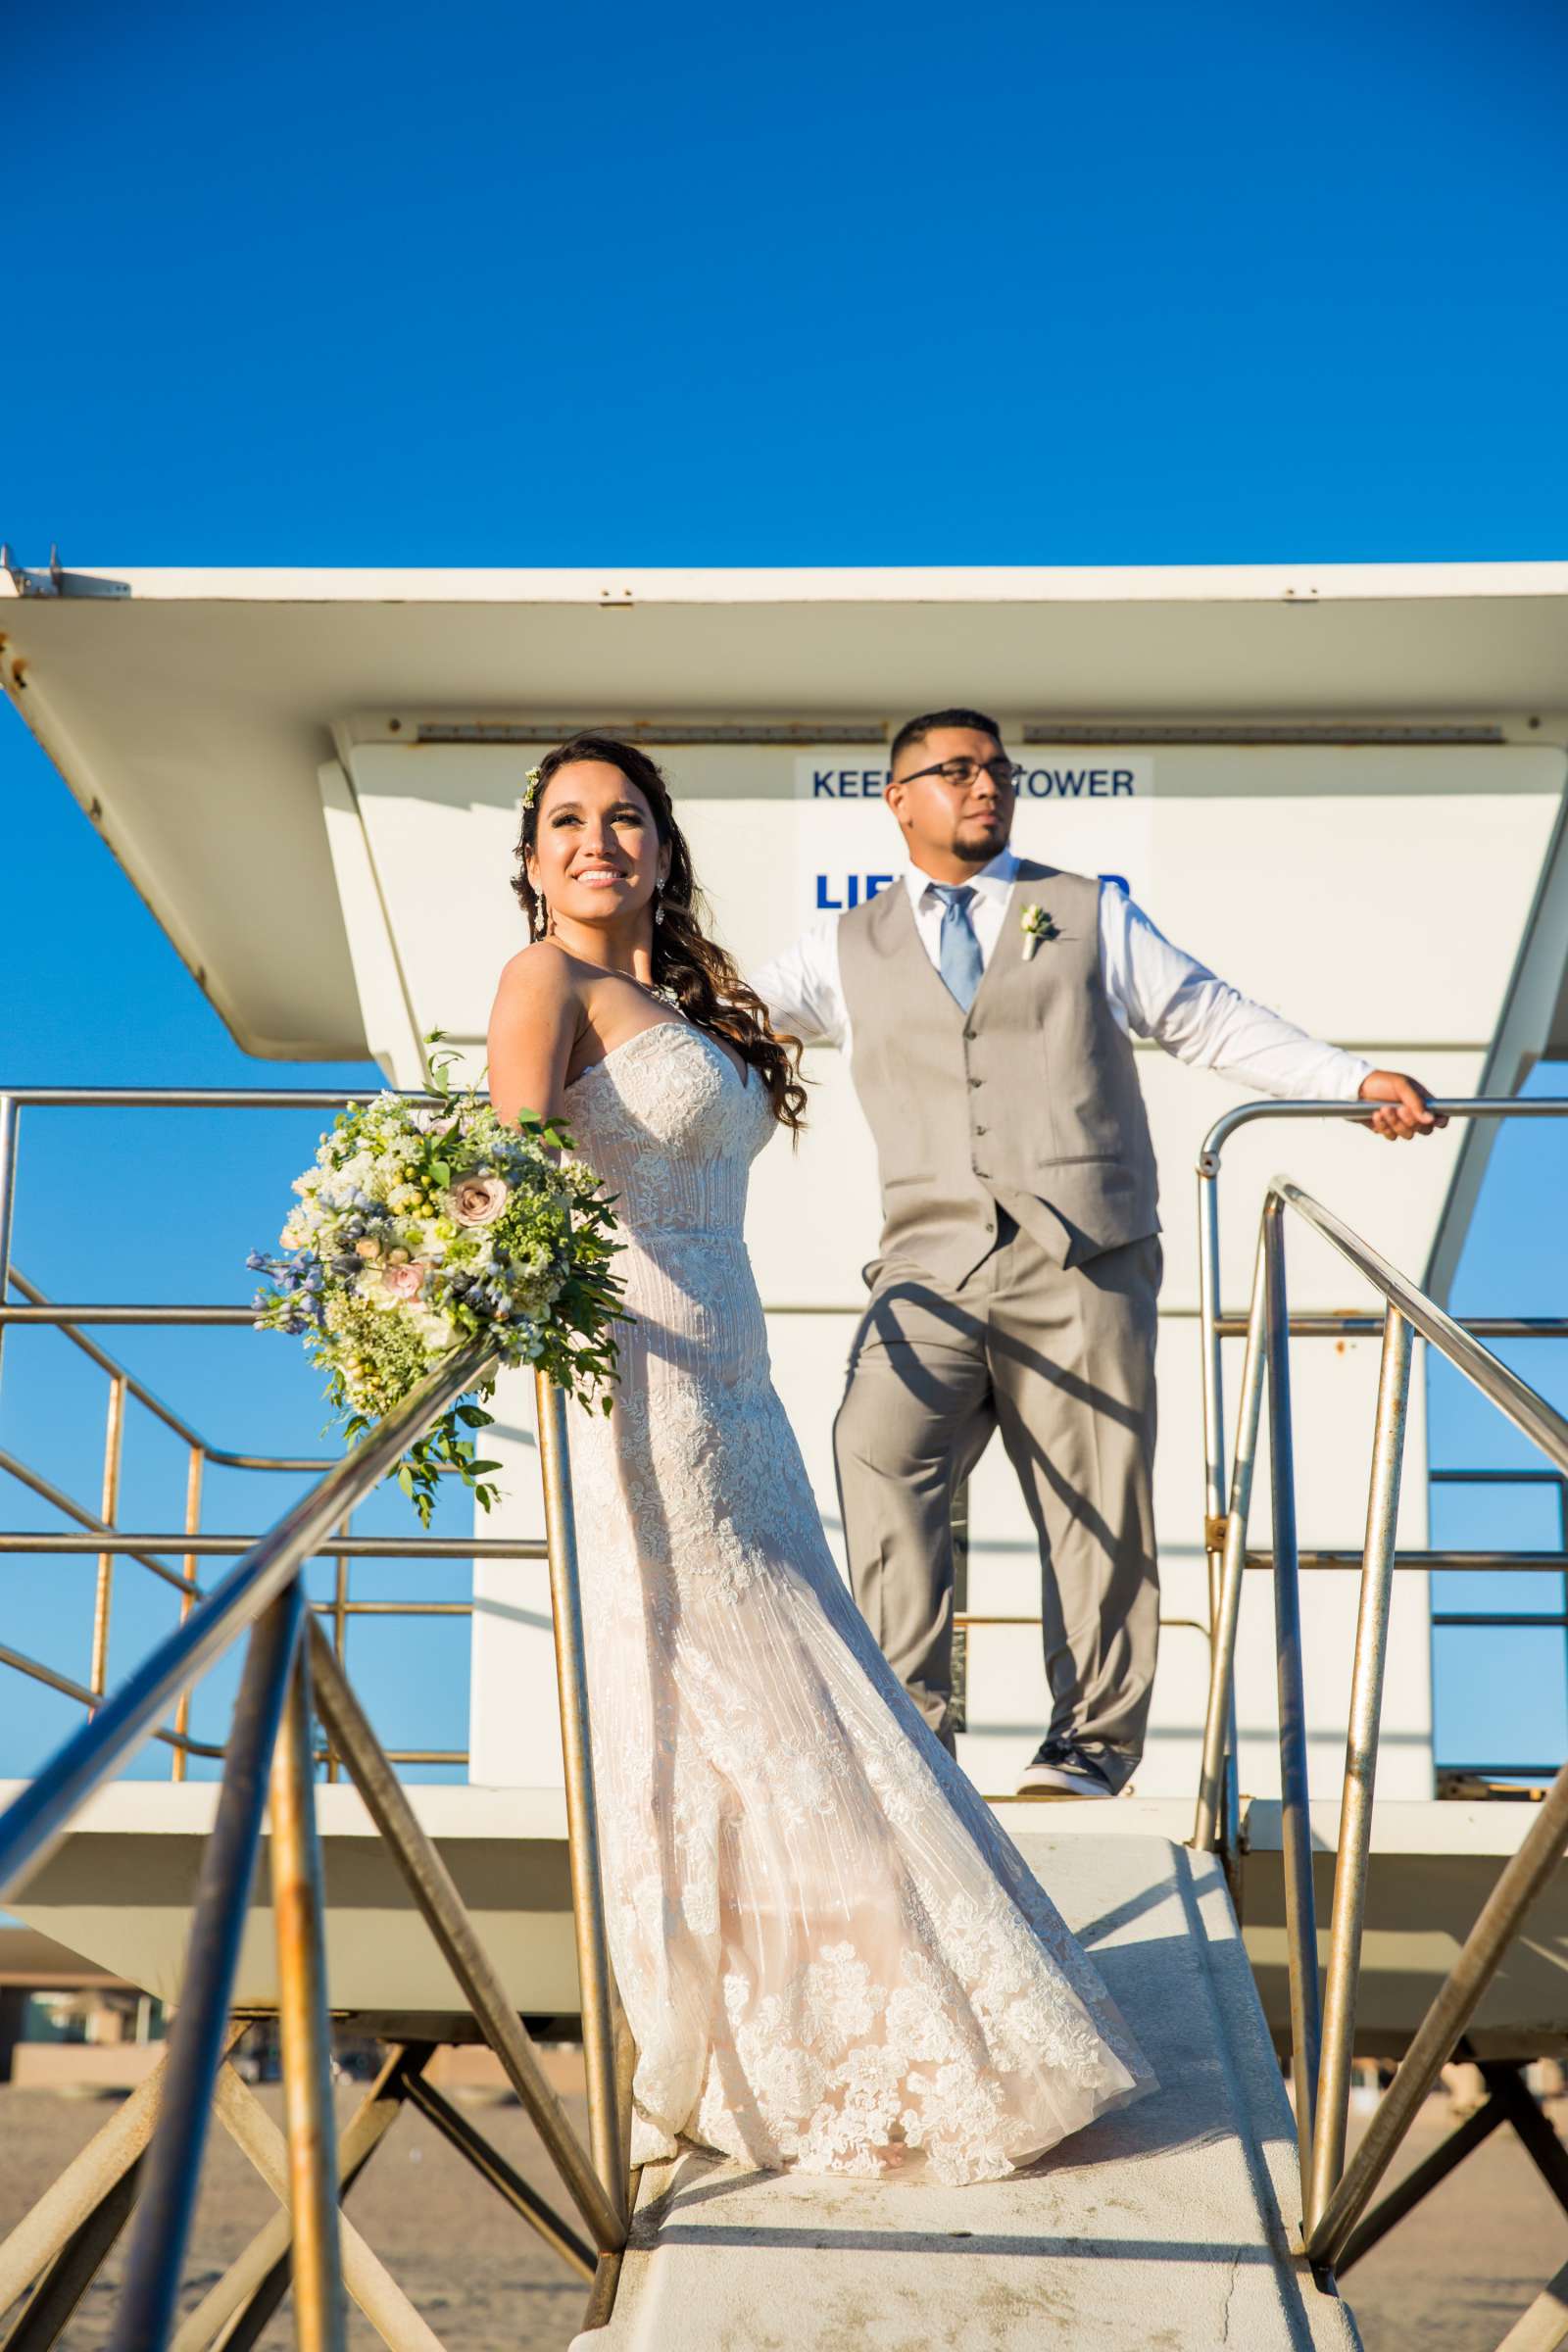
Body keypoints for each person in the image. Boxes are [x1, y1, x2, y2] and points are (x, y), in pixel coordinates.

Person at [486, 731, 1155, 2186]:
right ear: (533, 858)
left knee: (796, 1679)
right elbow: (516, 1176)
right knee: (742, 1682)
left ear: (662, 848)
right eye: (568, 823)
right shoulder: (542, 980)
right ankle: (825, 2031)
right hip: (639, 1379)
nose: (598, 842)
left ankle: (867, 2010)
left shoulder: (678, 991)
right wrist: (432, 1269)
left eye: (625, 820)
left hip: (737, 1380)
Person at [755, 709, 1445, 1799]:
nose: (985, 786)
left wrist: (1349, 1080)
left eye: (997, 770)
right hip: (927, 1264)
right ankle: (909, 1730)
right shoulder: (842, 946)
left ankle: (1089, 1745)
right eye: (955, 771)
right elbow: (732, 1026)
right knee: (876, 1448)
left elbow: (1206, 1018)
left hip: (1083, 1254)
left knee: (1093, 1496)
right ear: (897, 800)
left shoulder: (1086, 911)